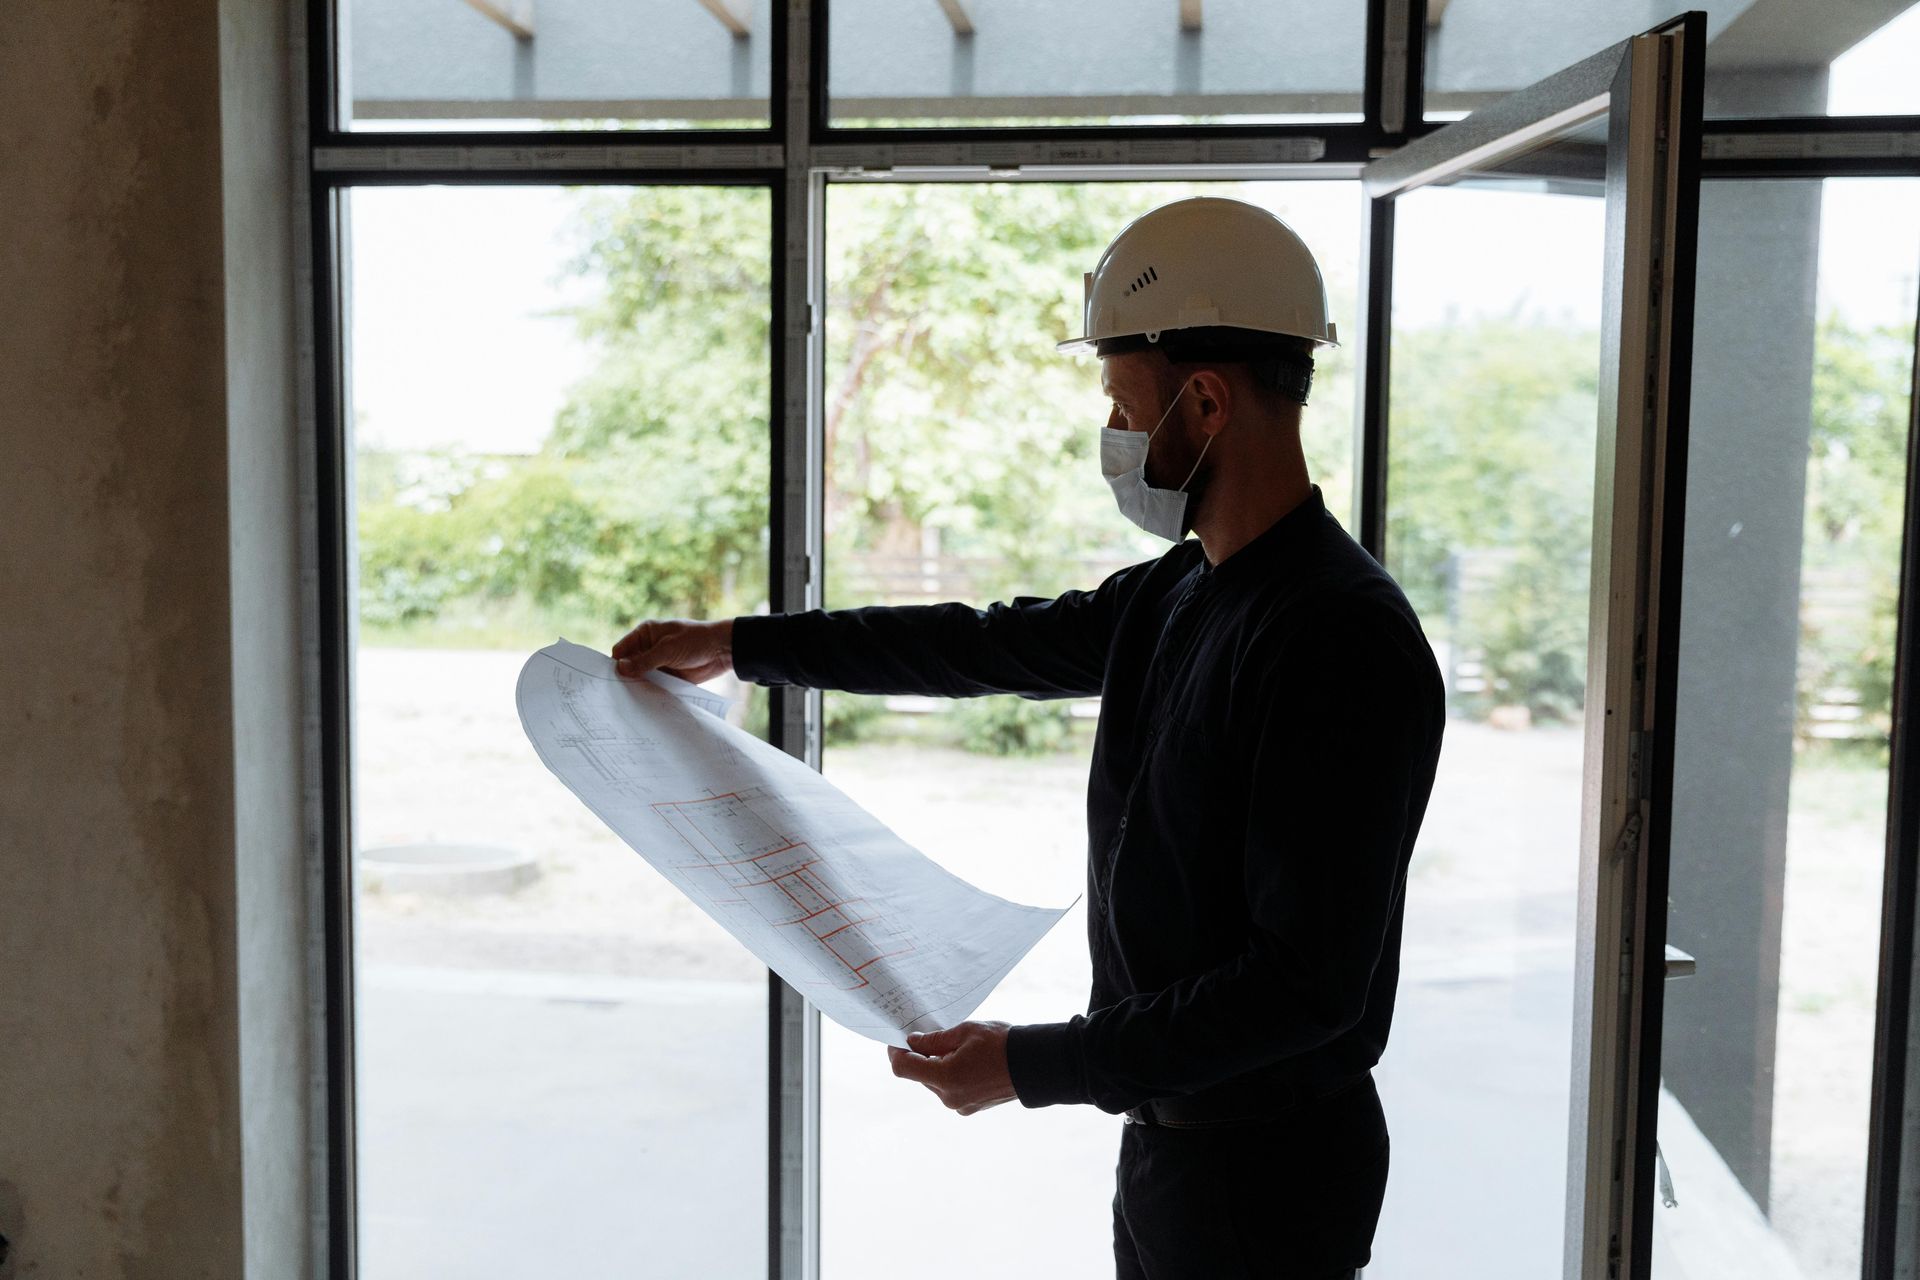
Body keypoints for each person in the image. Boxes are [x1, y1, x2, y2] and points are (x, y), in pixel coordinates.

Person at [612, 196, 1445, 1279]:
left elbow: (1301, 987)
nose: (1115, 438)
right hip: (1171, 1148)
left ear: (1204, 400)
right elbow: (978, 644)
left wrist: (1032, 1064)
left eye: (1124, 406)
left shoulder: (1338, 637)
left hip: (1269, 1179)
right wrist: (739, 643)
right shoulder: (1181, 591)